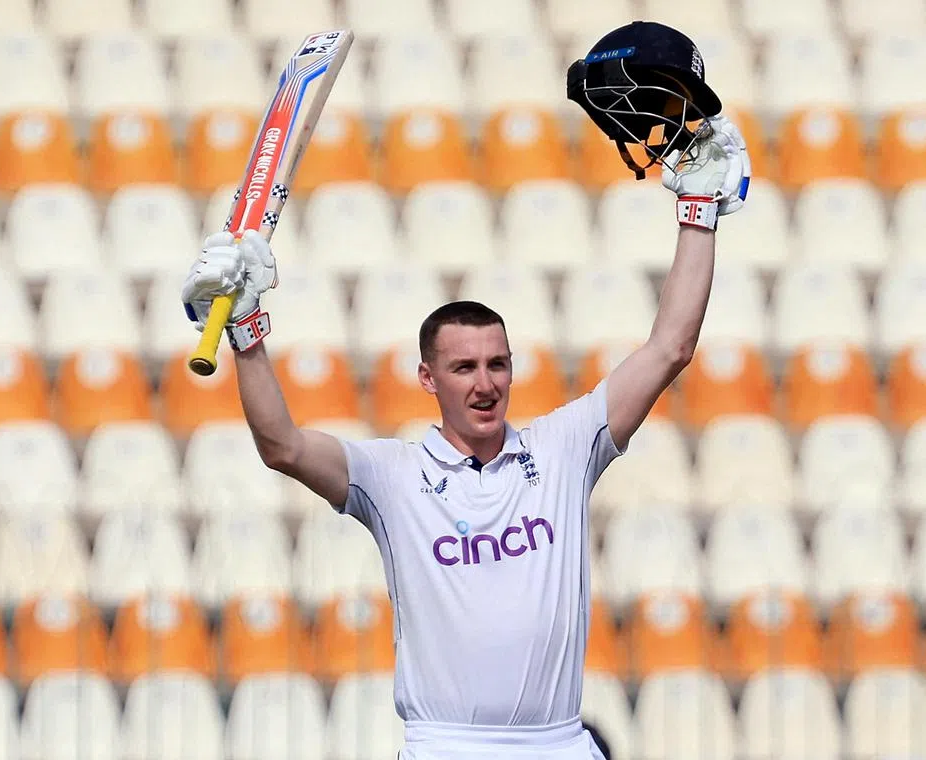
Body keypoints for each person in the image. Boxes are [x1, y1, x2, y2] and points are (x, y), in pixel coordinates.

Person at [180, 21, 749, 760]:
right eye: (463, 368)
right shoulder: (391, 476)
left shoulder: (564, 447)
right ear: (428, 378)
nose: (485, 384)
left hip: (560, 745)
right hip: (447, 746)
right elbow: (282, 446)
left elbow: (670, 347)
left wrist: (698, 217)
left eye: (497, 365)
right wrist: (246, 332)